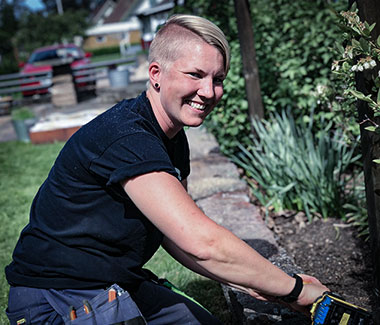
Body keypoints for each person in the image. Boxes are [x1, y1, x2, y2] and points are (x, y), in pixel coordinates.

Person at [5, 14, 329, 325]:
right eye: (195, 75)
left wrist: (252, 283)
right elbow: (203, 243)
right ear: (156, 73)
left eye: (218, 80)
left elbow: (175, 236)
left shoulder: (172, 137)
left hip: (116, 281)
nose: (209, 91)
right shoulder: (128, 136)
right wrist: (295, 290)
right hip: (60, 298)